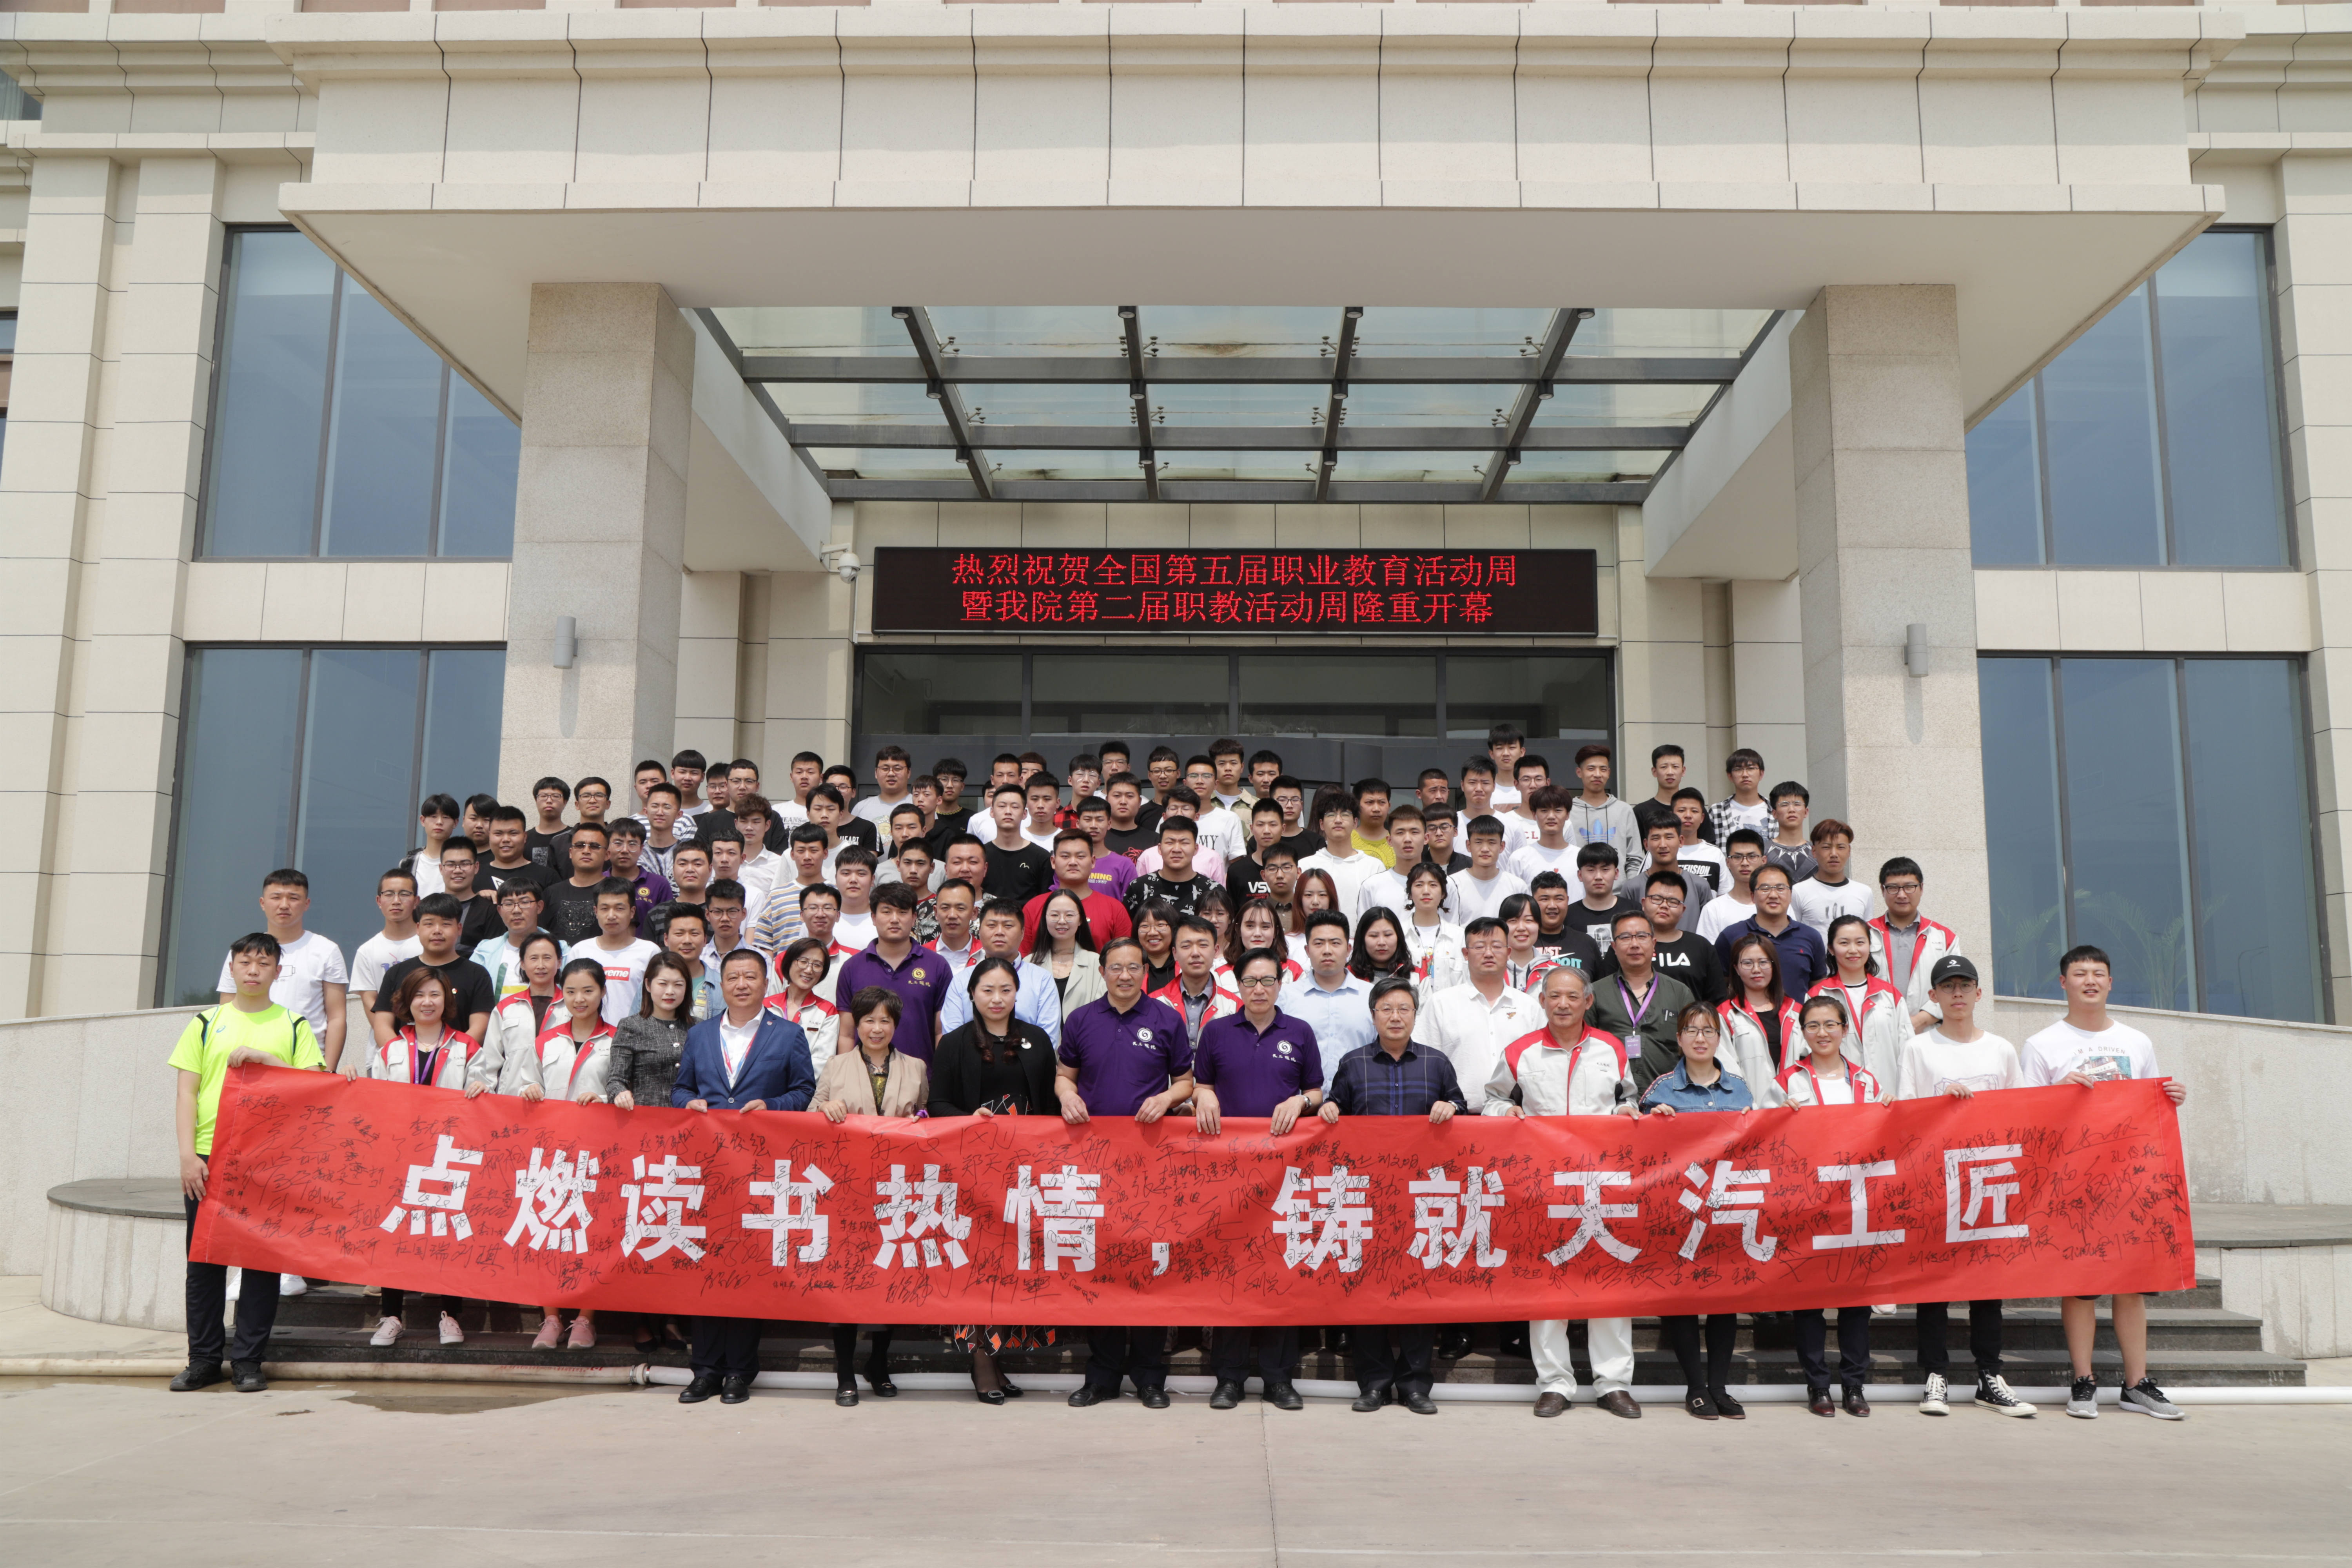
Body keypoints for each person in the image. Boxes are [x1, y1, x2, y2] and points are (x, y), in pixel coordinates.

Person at [2022, 945, 2190, 1421]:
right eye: (2080, 973)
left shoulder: (2136, 1041)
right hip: (2072, 1182)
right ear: (2064, 983)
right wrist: (2056, 1095)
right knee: (2080, 1283)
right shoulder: (2042, 1044)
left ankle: (2137, 1384)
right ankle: (2083, 1380)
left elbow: (2151, 1105)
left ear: (2111, 983)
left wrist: (2172, 1096)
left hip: (2129, 1179)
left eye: (2099, 973)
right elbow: (2026, 1116)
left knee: (2130, 1283)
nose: (2090, 980)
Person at [169, 933, 327, 1393]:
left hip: (269, 1160)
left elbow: (313, 1088)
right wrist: (187, 1156)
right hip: (209, 1156)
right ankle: (203, 1361)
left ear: (278, 971)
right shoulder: (206, 1022)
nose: (253, 969)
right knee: (204, 1263)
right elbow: (186, 1093)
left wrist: (267, 1059)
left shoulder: (294, 1025)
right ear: (232, 968)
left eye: (263, 962)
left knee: (262, 1262)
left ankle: (248, 1361)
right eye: (245, 961)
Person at [1484, 966, 1641, 1419]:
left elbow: (1629, 1098)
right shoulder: (1520, 1051)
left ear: (1588, 1001)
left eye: (1573, 996)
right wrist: (1506, 1113)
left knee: (1608, 1283)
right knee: (1548, 1284)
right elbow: (1493, 1099)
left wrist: (1628, 1110)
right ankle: (1555, 1383)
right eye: (1554, 996)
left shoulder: (1611, 1048)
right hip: (1544, 1184)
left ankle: (1614, 1383)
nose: (1563, 1004)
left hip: (1601, 1182)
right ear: (1542, 1001)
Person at [673, 949, 818, 1406]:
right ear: (722, 984)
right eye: (733, 977)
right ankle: (704, 1370)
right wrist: (688, 1103)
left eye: (750, 977)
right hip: (708, 1168)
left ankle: (739, 1370)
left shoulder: (788, 1033)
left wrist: (771, 1107)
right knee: (707, 1265)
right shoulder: (700, 1034)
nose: (741, 984)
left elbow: (804, 1090)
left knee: (746, 1269)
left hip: (761, 1168)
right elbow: (682, 1088)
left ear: (765, 983)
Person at [1898, 955, 2037, 1419]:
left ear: (1979, 993)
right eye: (1947, 986)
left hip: (1990, 1178)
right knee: (1934, 1284)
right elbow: (1905, 1114)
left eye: (1965, 985)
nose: (1957, 993)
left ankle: (1989, 1376)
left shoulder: (2001, 1049)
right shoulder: (1918, 1048)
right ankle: (1934, 1375)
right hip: (1936, 1180)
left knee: (1987, 1283)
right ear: (1933, 996)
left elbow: (2021, 1111)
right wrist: (1940, 1106)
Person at [1058, 937, 1192, 1408]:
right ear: (1103, 972)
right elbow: (1065, 1074)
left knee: (1150, 1266)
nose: (1125, 975)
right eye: (1116, 967)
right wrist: (1066, 1095)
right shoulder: (1081, 1020)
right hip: (1094, 1164)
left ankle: (1150, 1376)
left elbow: (1186, 1081)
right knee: (1101, 1268)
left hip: (1151, 1164)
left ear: (1144, 972)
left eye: (1134, 967)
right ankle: (1103, 1375)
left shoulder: (1166, 1019)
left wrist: (1167, 1098)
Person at [922, 957, 1062, 1403]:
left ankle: (999, 1355)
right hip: (972, 1170)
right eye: (987, 990)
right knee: (977, 1264)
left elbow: (1050, 1106)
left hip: (1025, 1171)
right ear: (972, 994)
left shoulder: (1038, 1040)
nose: (997, 999)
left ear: (1018, 994)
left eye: (1006, 990)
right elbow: (937, 1104)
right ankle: (980, 1358)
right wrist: (971, 1119)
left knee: (1014, 1262)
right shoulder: (954, 1043)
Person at [1192, 946, 1324, 1413]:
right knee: (1231, 1271)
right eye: (1251, 981)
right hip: (1228, 1173)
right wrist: (1204, 1095)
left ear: (1280, 985)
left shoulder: (1299, 1031)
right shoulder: (1216, 1031)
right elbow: (1201, 1083)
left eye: (1268, 981)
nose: (1260, 989)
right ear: (1239, 985)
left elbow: (1316, 1090)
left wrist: (1300, 1102)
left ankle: (1278, 1378)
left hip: (1284, 1174)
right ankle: (1229, 1378)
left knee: (1279, 1273)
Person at [1325, 973, 1463, 1415]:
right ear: (1373, 1015)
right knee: (1367, 1290)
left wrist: (1451, 1107)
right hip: (1368, 1196)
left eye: (1404, 1008)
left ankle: (1416, 1385)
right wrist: (1329, 1107)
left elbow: (1461, 1110)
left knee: (1419, 1289)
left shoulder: (1437, 1063)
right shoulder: (1353, 1063)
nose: (1396, 1016)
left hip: (1424, 1197)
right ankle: (1374, 1383)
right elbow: (1337, 1110)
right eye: (1387, 1009)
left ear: (1416, 1015)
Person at [1639, 1001, 1755, 1420]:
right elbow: (1636, 1149)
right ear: (1679, 1039)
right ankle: (1696, 1388)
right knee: (1684, 1298)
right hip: (1678, 1212)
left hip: (1727, 1209)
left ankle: (1720, 1387)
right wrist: (1652, 1120)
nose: (1700, 1038)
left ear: (1720, 1038)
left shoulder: (1740, 1089)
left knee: (1724, 1299)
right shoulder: (1661, 1089)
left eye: (1708, 1031)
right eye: (1691, 1030)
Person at [1776, 993, 1883, 1417]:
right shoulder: (1787, 1081)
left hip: (1857, 1205)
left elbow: (1884, 1135)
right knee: (1810, 1302)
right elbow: (1768, 1141)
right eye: (1813, 1026)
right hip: (1807, 1205)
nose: (1822, 1033)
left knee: (1856, 1303)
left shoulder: (1867, 1082)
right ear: (1803, 1032)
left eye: (1830, 1024)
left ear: (1845, 1029)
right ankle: (1818, 1385)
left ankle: (1854, 1385)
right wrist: (1779, 1115)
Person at [362, 967, 478, 1349]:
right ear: (406, 1002)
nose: (427, 1002)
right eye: (419, 995)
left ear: (447, 1001)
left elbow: (488, 1097)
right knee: (396, 1233)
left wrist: (483, 1089)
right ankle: (392, 1316)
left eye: (435, 994)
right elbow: (375, 1101)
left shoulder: (467, 1048)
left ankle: (450, 1315)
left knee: (447, 1234)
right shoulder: (391, 1050)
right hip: (402, 1154)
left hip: (449, 1155)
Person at [215, 868, 347, 1097]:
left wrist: (328, 1071)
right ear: (262, 903)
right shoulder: (242, 952)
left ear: (307, 904)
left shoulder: (326, 950)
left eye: (293, 898)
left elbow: (337, 1017)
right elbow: (226, 1012)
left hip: (306, 1065)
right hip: (247, 1065)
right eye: (276, 897)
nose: (284, 905)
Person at [1412, 915, 1539, 1124]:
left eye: (1497, 947)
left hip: (1518, 1119)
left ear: (1509, 953)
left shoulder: (1529, 1007)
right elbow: (1424, 1064)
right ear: (1465, 954)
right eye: (1479, 947)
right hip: (1456, 1120)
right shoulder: (1441, 1004)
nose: (1489, 953)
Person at [834, 882, 954, 1062]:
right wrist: (845, 1073)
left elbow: (941, 1032)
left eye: (903, 912)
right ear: (873, 917)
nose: (895, 919)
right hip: (863, 1075)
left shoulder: (937, 966)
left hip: (921, 1074)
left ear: (914, 918)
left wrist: (940, 1075)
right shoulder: (852, 967)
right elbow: (847, 1034)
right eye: (887, 912)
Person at [370, 894, 495, 1048]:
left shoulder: (477, 974)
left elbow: (480, 1028)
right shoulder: (396, 973)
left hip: (459, 1059)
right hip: (405, 1060)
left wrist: (450, 1056)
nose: (437, 931)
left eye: (446, 924)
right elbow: (382, 1026)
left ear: (459, 929)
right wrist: (401, 1055)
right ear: (418, 928)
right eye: (429, 924)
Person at [1586, 910, 1696, 1073]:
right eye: (1625, 937)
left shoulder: (1680, 992)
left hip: (1667, 1087)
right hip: (1611, 1087)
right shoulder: (1595, 993)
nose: (1635, 944)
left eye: (1642, 936)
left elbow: (1694, 1046)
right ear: (1614, 947)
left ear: (1654, 943)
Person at [941, 900, 1064, 1044]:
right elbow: (953, 1040)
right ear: (980, 931)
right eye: (992, 925)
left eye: (1008, 926)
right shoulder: (962, 980)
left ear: (1023, 933)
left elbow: (1047, 1041)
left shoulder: (1041, 980)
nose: (999, 932)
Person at [1809, 914, 1910, 1089]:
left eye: (1860, 942)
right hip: (1839, 1094)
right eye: (1844, 943)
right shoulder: (1817, 996)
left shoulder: (1890, 995)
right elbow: (1808, 1050)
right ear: (1831, 949)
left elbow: (1908, 1050)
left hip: (1887, 1094)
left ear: (1870, 946)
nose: (1853, 950)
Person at [1280, 909, 1375, 1089]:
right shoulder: (1286, 997)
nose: (1327, 951)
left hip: (1358, 1101)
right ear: (1307, 950)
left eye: (1335, 943)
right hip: (1301, 1101)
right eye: (1319, 944)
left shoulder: (1371, 996)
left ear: (1349, 949)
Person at [1869, 857, 1961, 1034]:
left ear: (1922, 888)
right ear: (1882, 890)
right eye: (1893, 888)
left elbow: (1955, 986)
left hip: (1929, 1033)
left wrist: (1920, 1021)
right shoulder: (1865, 934)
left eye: (1909, 887)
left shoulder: (1944, 938)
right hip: (1877, 1031)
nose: (1902, 895)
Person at [1711, 862, 1828, 998]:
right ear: (1753, 896)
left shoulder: (1811, 936)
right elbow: (1720, 987)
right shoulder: (1731, 936)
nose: (1773, 895)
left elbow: (1818, 987)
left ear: (1791, 895)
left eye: (1781, 889)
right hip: (1745, 1012)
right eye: (1765, 889)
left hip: (1798, 1012)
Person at [1702, 932, 1799, 1093]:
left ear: (1774, 966)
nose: (1756, 970)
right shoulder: (1724, 1015)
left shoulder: (1796, 1011)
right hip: (1750, 1103)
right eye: (1747, 963)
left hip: (1796, 1102)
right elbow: (1726, 1068)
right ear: (1736, 969)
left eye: (1763, 962)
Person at [469, 932, 564, 1096]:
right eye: (534, 958)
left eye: (547, 958)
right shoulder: (505, 1008)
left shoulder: (571, 1008)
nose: (541, 965)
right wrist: (485, 1087)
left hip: (557, 1098)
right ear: (523, 964)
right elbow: (490, 1061)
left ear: (559, 962)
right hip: (512, 1098)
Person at [348, 870, 423, 1071]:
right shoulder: (367, 951)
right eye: (389, 894)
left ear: (416, 901)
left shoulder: (428, 945)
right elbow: (370, 1002)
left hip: (429, 1048)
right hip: (382, 1054)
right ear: (379, 901)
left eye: (404, 894)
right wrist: (396, 1047)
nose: (396, 901)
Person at [608, 951, 695, 1112]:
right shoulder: (631, 1026)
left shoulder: (698, 1028)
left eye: (678, 985)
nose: (670, 991)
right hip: (646, 1118)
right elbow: (616, 1080)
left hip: (689, 1120)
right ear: (648, 985)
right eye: (663, 984)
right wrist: (620, 1093)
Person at [1627, 870, 1725, 1004]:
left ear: (1683, 910)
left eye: (1673, 902)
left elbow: (1718, 1000)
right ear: (1644, 904)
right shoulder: (1626, 944)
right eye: (1657, 899)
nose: (1664, 906)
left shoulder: (1701, 947)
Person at [1023, 830, 1134, 947]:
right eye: (1065, 856)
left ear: (1093, 862)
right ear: (1054, 862)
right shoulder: (1034, 907)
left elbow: (1125, 954)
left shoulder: (1115, 909)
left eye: (1080, 857)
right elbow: (1024, 954)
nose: (1073, 862)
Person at [1152, 914, 1240, 1049]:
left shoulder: (1235, 1005)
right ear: (1175, 953)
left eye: (1203, 945)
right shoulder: (1155, 1003)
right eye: (1186, 946)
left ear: (1216, 951)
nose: (1195, 953)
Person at [579, 878, 661, 1023]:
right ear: (596, 912)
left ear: (632, 912)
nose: (612, 916)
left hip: (637, 1033)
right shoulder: (580, 951)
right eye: (605, 909)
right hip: (591, 1033)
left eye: (620, 909)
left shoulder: (650, 952)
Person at [471, 879, 564, 1002]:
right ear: (500, 910)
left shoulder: (563, 951)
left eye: (525, 902)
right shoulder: (484, 952)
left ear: (539, 907)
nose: (516, 910)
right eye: (509, 904)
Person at [765, 937, 842, 1073]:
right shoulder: (765, 1005)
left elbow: (821, 1062)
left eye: (817, 965)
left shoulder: (828, 1012)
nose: (809, 970)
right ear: (789, 963)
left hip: (804, 1085)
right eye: (803, 962)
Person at [1025, 887, 1107, 1016]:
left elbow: (1101, 1011)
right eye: (1055, 915)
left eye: (1069, 915)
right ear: (1045, 918)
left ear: (1081, 920)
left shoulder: (1096, 963)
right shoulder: (1029, 964)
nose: (1062, 921)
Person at [1566, 744, 1641, 873]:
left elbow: (1634, 858)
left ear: (1609, 773)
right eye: (1591, 769)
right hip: (1577, 886)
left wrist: (1630, 885)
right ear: (1579, 772)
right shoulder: (1568, 811)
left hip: (1619, 886)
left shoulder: (1624, 810)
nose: (1597, 774)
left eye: (1603, 769)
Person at [1299, 788, 1377, 913]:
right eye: (1331, 815)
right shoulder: (1306, 866)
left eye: (1345, 815)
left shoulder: (1374, 867)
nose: (1338, 820)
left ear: (1355, 823)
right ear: (1322, 824)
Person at [1790, 819, 1869, 939]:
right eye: (1827, 847)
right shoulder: (1799, 891)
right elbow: (1794, 934)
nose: (1834, 854)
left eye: (1841, 847)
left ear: (1849, 851)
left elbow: (1867, 936)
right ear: (1814, 851)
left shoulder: (1864, 892)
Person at [1127, 815, 1214, 918]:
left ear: (1196, 849)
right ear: (1160, 849)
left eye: (1184, 843)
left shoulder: (1212, 890)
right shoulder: (1138, 887)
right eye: (1170, 843)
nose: (1177, 849)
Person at [982, 781, 1053, 907]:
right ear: (992, 812)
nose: (1008, 812)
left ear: (1025, 814)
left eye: (1015, 807)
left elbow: (1044, 903)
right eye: (1002, 806)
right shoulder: (981, 855)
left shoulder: (1042, 858)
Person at [1351, 802, 1426, 919]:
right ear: (1389, 840)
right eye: (1400, 833)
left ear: (1426, 838)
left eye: (1414, 832)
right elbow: (1365, 929)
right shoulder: (1372, 886)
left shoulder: (1443, 884)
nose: (1407, 839)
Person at [541, 821, 612, 946]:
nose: (586, 851)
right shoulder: (551, 893)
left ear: (607, 855)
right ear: (570, 852)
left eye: (595, 846)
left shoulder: (616, 892)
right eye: (580, 845)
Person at [1448, 816, 1528, 925]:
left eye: (1492, 843)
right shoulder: (1453, 885)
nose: (1485, 849)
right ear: (1468, 846)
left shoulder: (1517, 887)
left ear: (1502, 846)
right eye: (1479, 842)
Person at [1693, 828, 1766, 942]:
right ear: (1728, 862)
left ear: (1764, 861)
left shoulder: (1777, 903)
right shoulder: (1714, 909)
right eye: (1738, 857)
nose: (1745, 863)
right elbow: (1708, 951)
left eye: (1752, 857)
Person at [1504, 784, 1578, 887]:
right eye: (1544, 811)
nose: (1551, 817)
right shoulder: (1519, 859)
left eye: (1558, 810)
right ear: (1534, 815)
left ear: (1568, 815)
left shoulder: (1580, 858)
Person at [1708, 747, 1771, 845]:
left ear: (1761, 774)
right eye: (1738, 769)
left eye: (1751, 768)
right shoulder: (1717, 811)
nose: (1745, 775)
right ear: (1730, 776)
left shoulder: (1774, 809)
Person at [1670, 787, 1729, 891]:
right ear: (1672, 816)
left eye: (1694, 811)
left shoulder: (1715, 854)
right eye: (1682, 811)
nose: (1688, 816)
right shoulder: (1659, 851)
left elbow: (1725, 895)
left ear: (1702, 818)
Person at [404, 793, 459, 898]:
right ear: (423, 821)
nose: (439, 822)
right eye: (434, 817)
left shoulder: (464, 863)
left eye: (446, 817)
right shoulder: (409, 863)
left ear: (456, 823)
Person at [1763, 781, 1817, 882]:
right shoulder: (1763, 852)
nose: (1792, 810)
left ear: (1806, 812)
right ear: (1774, 813)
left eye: (1797, 804)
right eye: (1784, 805)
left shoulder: (1817, 852)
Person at [1632, 743, 1688, 842]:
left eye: (1675, 767)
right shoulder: (1640, 811)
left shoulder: (1693, 810)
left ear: (1683, 771)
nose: (1670, 772)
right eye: (1664, 767)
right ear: (1654, 772)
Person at [1348, 907, 1413, 989]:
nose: (1382, 943)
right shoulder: (1347, 976)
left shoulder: (1417, 977)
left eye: (1388, 935)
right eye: (1374, 936)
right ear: (1362, 939)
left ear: (1399, 937)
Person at [853, 744, 915, 827]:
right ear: (876, 773)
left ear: (909, 773)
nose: (891, 774)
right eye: (885, 769)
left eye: (897, 769)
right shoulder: (861, 809)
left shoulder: (919, 805)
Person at [929, 876, 982, 969]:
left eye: (960, 908)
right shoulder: (921, 955)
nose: (952, 915)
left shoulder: (986, 954)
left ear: (974, 913)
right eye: (945, 908)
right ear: (936, 913)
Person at [525, 776, 572, 866]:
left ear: (565, 802)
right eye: (543, 796)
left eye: (556, 796)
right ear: (536, 800)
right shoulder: (525, 839)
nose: (549, 801)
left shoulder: (574, 836)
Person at [1348, 777, 1395, 869]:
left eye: (1382, 803)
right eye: (1370, 802)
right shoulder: (1346, 840)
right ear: (1357, 805)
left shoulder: (1398, 840)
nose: (1376, 809)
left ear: (1389, 806)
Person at [1134, 901, 1179, 993]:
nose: (1152, 933)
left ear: (1174, 928)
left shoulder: (1186, 964)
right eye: (1145, 926)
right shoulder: (1130, 968)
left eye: (1160, 925)